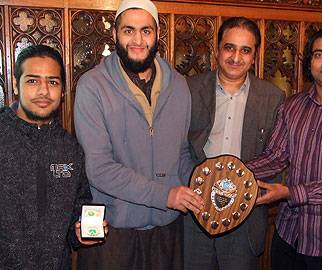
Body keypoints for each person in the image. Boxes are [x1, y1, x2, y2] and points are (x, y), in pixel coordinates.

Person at [74, 0, 204, 269]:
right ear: (115, 34)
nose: (137, 40)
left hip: (166, 231)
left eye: (146, 31)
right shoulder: (92, 86)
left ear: (158, 34)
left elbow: (179, 153)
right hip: (114, 235)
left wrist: (201, 183)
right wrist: (165, 196)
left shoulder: (179, 86)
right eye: (128, 30)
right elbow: (99, 168)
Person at [246, 26, 322, 270]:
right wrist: (232, 170)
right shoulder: (293, 106)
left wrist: (289, 193)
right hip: (289, 234)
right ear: (309, 61)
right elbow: (275, 157)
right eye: (319, 54)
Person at [184, 17, 284, 270]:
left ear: (254, 56)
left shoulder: (272, 98)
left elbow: (277, 156)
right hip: (195, 213)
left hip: (245, 218)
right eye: (229, 47)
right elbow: (176, 147)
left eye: (245, 50)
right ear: (217, 50)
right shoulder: (188, 89)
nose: (236, 57)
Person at [0, 44, 104, 270]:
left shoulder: (70, 148)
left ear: (63, 90)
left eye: (53, 82)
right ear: (16, 86)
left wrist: (80, 234)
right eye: (33, 81)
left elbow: (78, 209)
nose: (44, 91)